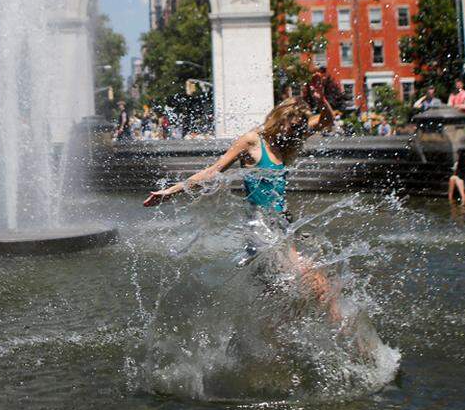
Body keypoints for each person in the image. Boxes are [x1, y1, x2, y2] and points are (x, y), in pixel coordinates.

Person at [143, 92, 339, 315]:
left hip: (281, 226)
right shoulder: (252, 141)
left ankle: (268, 344)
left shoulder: (285, 141)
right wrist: (171, 191)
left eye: (297, 128)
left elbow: (326, 121)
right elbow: (212, 172)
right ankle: (348, 343)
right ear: (279, 117)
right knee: (319, 285)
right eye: (290, 126)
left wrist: (322, 99)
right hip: (262, 229)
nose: (293, 132)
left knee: (285, 300)